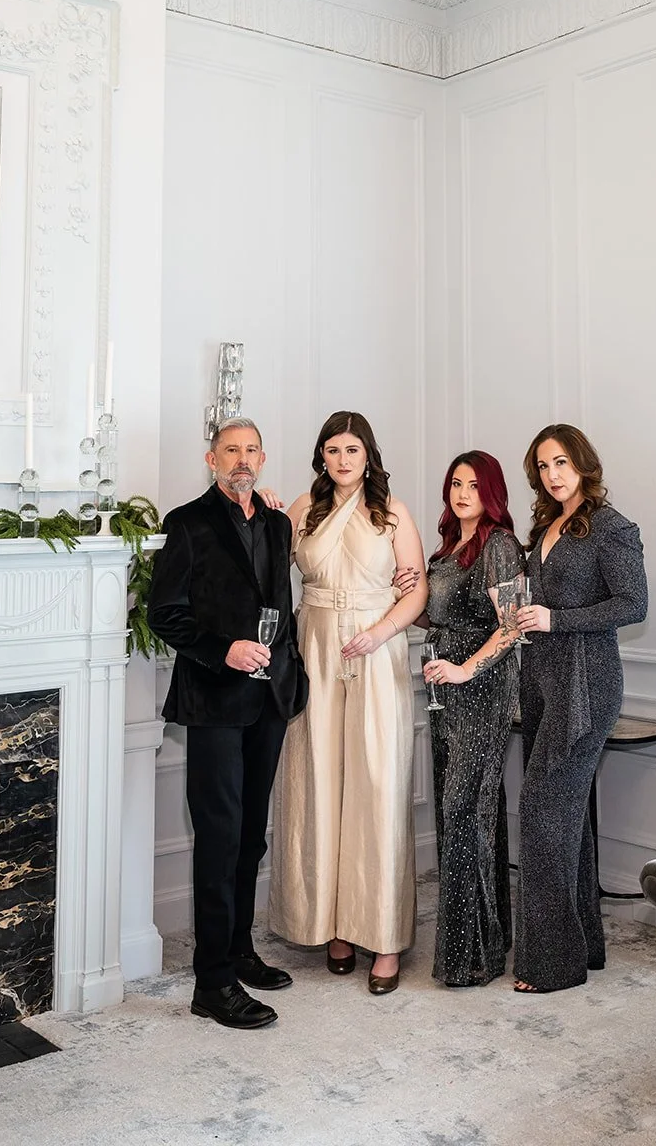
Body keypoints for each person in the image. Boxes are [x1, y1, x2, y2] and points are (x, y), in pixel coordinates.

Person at [147, 417, 308, 1030]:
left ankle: (239, 951)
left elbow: (280, 606)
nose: (242, 459)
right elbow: (165, 613)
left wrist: (291, 671)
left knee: (250, 836)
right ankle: (212, 983)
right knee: (218, 839)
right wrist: (225, 651)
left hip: (269, 701)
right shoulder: (186, 522)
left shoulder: (277, 522)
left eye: (251, 450)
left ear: (262, 459)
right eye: (230, 450)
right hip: (214, 701)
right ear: (211, 459)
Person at [268, 411, 428, 995]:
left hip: (376, 650)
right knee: (318, 783)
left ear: (368, 456)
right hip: (313, 646)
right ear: (322, 456)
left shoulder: (393, 513)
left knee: (376, 786)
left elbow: (416, 590)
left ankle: (382, 937)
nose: (342, 459)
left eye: (352, 450)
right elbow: (262, 564)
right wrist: (261, 508)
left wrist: (381, 632)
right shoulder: (302, 510)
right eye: (332, 450)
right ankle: (332, 925)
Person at [512, 423, 647, 993]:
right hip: (541, 681)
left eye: (561, 462)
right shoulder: (546, 525)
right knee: (567, 819)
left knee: (542, 811)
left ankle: (552, 964)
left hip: (586, 685)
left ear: (583, 464)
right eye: (543, 466)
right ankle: (584, 946)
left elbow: (634, 604)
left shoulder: (612, 527)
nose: (552, 474)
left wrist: (556, 619)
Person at [420, 451, 523, 987]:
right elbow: (438, 616)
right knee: (463, 813)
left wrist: (464, 670)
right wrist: (400, 593)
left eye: (474, 486)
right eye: (456, 483)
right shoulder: (446, 550)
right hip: (445, 693)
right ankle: (487, 941)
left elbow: (513, 627)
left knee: (465, 811)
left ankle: (472, 957)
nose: (463, 494)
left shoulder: (500, 545)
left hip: (482, 691)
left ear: (492, 493)